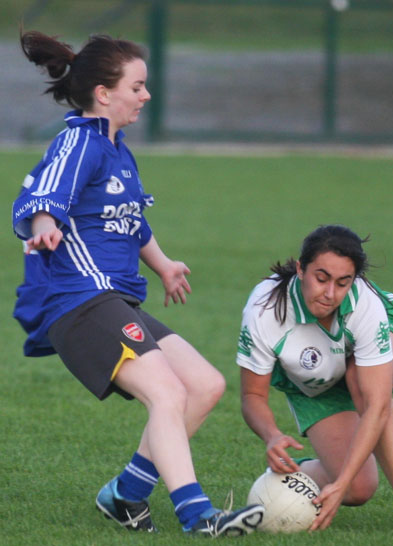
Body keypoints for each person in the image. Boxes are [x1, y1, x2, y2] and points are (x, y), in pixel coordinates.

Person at [12, 30, 264, 537]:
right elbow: (42, 195)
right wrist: (43, 228)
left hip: (110, 298)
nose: (146, 95)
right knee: (168, 393)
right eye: (138, 86)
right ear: (104, 94)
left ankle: (124, 494)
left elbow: (128, 220)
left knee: (204, 385)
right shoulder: (79, 142)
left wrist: (164, 264)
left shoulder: (116, 148)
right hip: (79, 301)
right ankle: (199, 516)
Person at [236, 224, 393, 538]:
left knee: (362, 380)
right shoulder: (265, 310)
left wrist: (339, 481)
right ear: (301, 269)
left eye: (343, 283)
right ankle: (293, 472)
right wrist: (272, 436)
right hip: (313, 382)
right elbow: (252, 395)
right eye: (321, 278)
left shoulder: (365, 306)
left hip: (367, 362)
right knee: (358, 490)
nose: (330, 293)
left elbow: (376, 406)